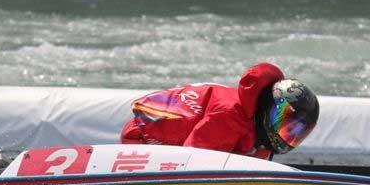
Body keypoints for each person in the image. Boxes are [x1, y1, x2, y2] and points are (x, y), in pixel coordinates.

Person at [120, 63, 319, 159]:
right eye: (284, 122)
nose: (289, 133)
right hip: (141, 141)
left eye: (295, 131)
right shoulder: (229, 116)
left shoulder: (257, 130)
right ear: (269, 109)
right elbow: (192, 161)